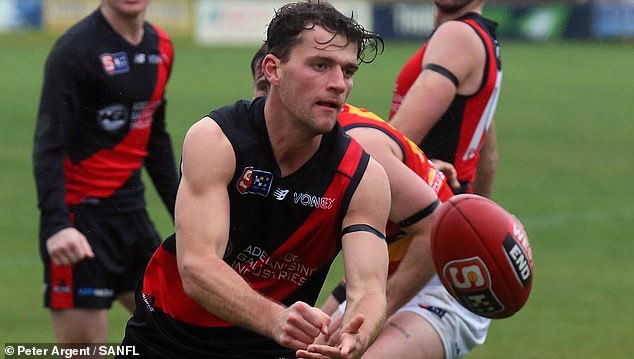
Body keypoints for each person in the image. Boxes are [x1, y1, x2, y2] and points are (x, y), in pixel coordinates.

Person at [119, 2, 390, 358]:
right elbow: (197, 267)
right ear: (273, 69)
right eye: (320, 66)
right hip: (167, 339)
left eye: (348, 71)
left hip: (270, 349)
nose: (339, 84)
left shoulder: (362, 177)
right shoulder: (217, 140)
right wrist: (277, 319)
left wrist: (358, 331)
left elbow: (369, 289)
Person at [252, 46, 490, 359]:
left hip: (445, 278)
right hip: (388, 272)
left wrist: (377, 314)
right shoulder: (298, 144)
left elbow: (436, 228)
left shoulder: (358, 147)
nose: (265, 97)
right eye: (261, 86)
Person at [33, 0, 179, 344]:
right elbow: (49, 144)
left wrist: (187, 216)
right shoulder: (75, 50)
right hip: (78, 226)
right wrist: (56, 227)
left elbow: (155, 139)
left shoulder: (162, 47)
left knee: (176, 339)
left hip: (132, 219)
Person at [389, 0, 501, 198]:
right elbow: (488, 160)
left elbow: (394, 142)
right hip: (449, 205)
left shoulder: (458, 35)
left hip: (423, 204)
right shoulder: (482, 38)